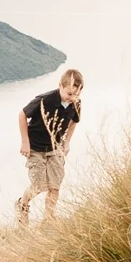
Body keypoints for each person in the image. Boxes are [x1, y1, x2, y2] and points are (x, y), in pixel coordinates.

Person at [15, 69, 85, 226]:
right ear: (60, 85)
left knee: (55, 185)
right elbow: (22, 114)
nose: (72, 98)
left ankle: (48, 218)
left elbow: (75, 121)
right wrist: (25, 142)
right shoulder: (44, 100)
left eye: (76, 94)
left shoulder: (76, 103)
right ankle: (22, 205)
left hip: (55, 148)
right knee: (39, 185)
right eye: (69, 94)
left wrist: (66, 142)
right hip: (35, 147)